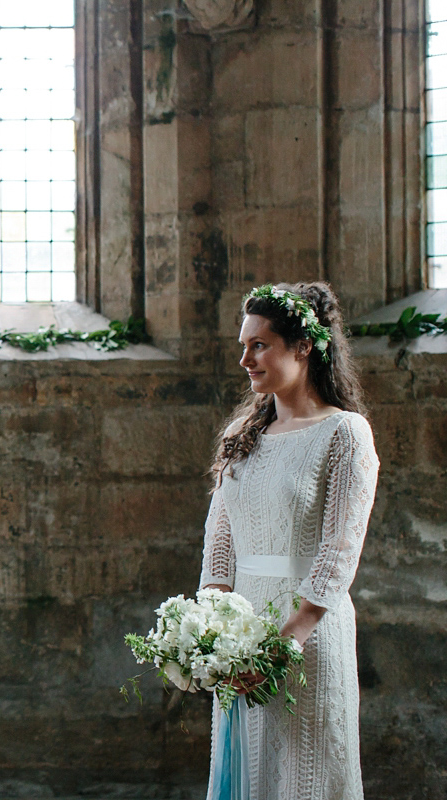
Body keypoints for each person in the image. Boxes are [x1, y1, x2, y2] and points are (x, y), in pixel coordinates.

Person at [200, 282, 378, 800]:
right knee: (249, 776)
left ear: (303, 346)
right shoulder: (241, 435)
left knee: (304, 778)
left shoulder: (345, 433)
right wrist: (211, 633)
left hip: (308, 633)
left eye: (260, 344)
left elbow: (340, 549)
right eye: (243, 344)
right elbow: (221, 541)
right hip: (241, 633)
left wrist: (289, 638)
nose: (245, 358)